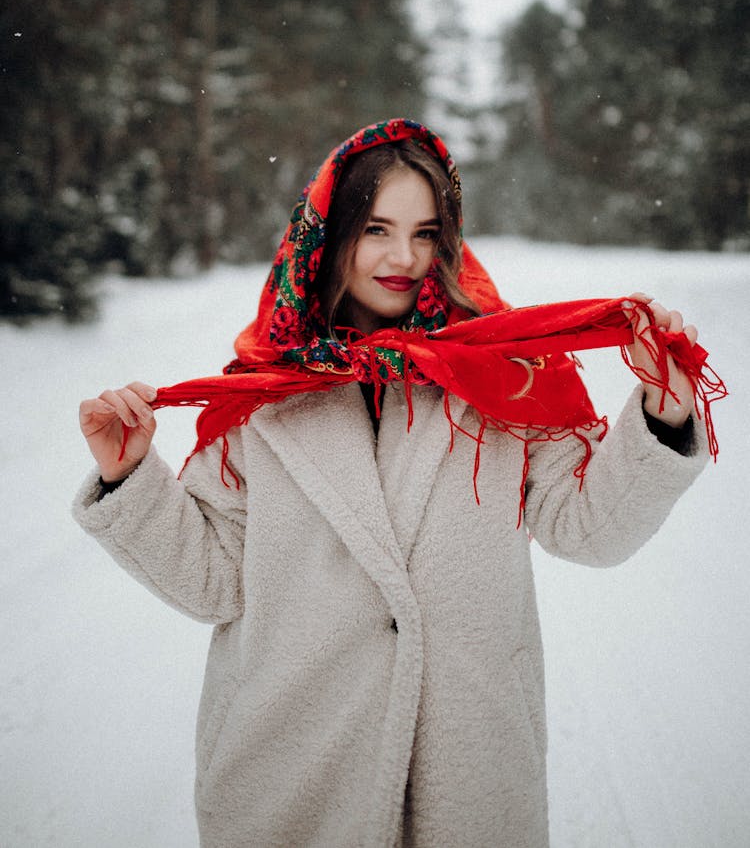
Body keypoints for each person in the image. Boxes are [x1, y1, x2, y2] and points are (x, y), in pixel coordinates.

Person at [75, 118, 713, 848]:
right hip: (290, 780)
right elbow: (216, 582)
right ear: (327, 232)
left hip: (466, 783)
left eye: (425, 231)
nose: (404, 257)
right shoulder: (262, 390)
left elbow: (586, 529)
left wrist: (662, 417)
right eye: (376, 228)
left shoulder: (503, 371)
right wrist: (130, 475)